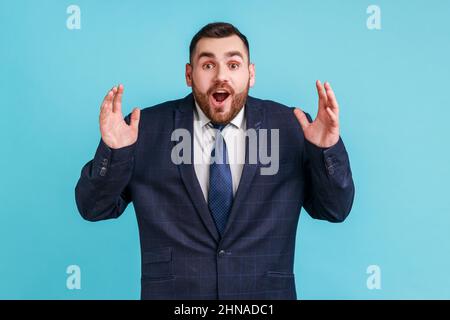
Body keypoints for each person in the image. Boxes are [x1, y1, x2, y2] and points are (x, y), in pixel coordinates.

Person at [75, 22, 355, 300]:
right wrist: (114, 152)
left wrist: (326, 149)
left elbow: (334, 210)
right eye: (208, 65)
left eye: (233, 65)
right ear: (189, 74)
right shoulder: (143, 129)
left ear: (251, 73)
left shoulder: (291, 127)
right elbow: (93, 208)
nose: (221, 76)